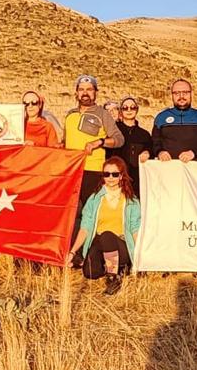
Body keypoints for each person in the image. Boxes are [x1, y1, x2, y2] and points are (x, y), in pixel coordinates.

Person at [72, 156, 141, 295]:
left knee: (107, 236)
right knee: (90, 272)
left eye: (115, 174)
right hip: (99, 242)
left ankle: (113, 278)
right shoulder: (95, 198)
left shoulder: (131, 200)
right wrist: (73, 251)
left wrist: (139, 256)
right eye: (106, 174)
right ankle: (115, 267)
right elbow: (85, 227)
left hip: (121, 243)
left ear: (121, 176)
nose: (110, 177)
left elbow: (135, 228)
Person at [64, 75, 124, 209]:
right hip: (71, 171)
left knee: (90, 211)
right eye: (81, 89)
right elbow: (65, 142)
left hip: (92, 171)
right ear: (76, 93)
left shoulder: (103, 114)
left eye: (89, 89)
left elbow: (119, 139)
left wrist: (99, 142)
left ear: (96, 92)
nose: (85, 93)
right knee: (69, 212)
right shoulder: (70, 114)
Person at [152, 78, 197, 163]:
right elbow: (154, 142)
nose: (181, 96)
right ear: (172, 95)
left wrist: (193, 153)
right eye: (177, 93)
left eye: (185, 93)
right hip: (168, 169)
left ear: (191, 94)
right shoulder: (161, 117)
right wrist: (160, 152)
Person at [113, 97, 153, 191]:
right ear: (120, 111)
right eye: (125, 108)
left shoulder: (144, 134)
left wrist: (147, 152)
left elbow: (151, 149)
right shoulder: (114, 131)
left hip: (137, 179)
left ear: (137, 110)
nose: (129, 110)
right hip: (116, 177)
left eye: (132, 107)